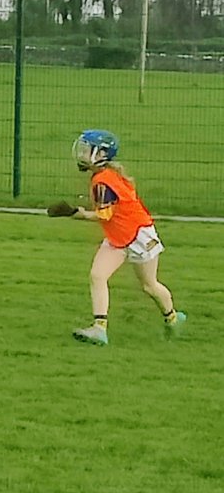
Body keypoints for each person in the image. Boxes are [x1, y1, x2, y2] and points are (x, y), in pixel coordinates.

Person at [61, 129, 186, 346]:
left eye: (86, 150)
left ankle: (173, 317)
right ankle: (99, 329)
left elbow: (104, 215)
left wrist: (76, 213)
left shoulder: (103, 181)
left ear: (101, 154)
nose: (81, 155)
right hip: (117, 237)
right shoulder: (103, 176)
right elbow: (109, 217)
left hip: (139, 235)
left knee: (149, 285)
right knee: (97, 276)